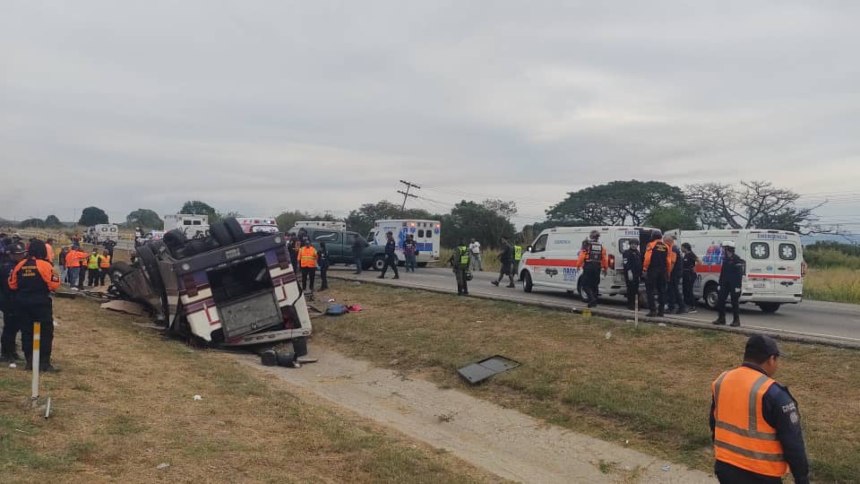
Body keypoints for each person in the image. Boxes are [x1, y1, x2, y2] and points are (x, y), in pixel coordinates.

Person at [710, 334, 809, 484]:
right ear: (771, 359)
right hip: (761, 474)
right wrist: (801, 478)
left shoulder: (721, 380)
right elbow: (792, 442)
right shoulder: (773, 393)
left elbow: (714, 422)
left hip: (726, 468)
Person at [9, 239, 61, 371]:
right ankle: (44, 362)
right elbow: (54, 285)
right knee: (45, 332)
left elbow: (12, 284)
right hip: (40, 303)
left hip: (22, 303)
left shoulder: (20, 265)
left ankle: (30, 361)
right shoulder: (46, 265)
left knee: (26, 332)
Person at [0, 241, 26, 362]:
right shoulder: (8, 267)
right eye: (18, 254)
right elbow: (9, 287)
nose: (21, 256)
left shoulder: (18, 265)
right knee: (9, 328)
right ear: (11, 254)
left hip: (16, 301)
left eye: (22, 253)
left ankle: (12, 351)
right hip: (9, 301)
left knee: (15, 327)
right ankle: (6, 353)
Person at [713, 241, 745, 327]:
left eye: (724, 248)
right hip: (724, 283)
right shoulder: (725, 258)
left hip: (734, 284)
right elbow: (722, 272)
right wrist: (720, 284)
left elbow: (739, 274)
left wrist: (738, 286)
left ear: (728, 249)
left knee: (734, 302)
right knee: (720, 300)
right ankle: (721, 318)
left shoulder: (736, 259)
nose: (723, 250)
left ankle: (736, 320)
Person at [642, 230, 673, 317]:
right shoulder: (666, 246)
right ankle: (661, 311)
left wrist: (644, 268)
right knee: (662, 291)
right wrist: (668, 272)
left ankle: (653, 310)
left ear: (653, 236)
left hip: (653, 270)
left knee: (650, 290)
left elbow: (647, 258)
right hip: (663, 271)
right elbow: (668, 261)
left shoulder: (651, 245)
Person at [577, 230, 608, 308]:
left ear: (591, 236)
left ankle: (592, 299)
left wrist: (578, 265)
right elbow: (604, 258)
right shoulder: (601, 246)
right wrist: (605, 268)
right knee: (595, 284)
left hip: (589, 266)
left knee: (585, 284)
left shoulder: (587, 245)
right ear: (598, 237)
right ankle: (594, 301)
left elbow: (582, 256)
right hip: (597, 267)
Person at [664, 235, 686, 314]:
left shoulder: (673, 249)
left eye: (665, 241)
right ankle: (673, 306)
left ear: (669, 241)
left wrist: (668, 273)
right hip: (677, 272)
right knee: (672, 290)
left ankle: (679, 307)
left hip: (674, 273)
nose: (664, 243)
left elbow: (672, 262)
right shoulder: (676, 248)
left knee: (673, 290)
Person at [622, 239, 642, 310]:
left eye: (635, 244)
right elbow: (625, 263)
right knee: (630, 289)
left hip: (637, 274)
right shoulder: (627, 252)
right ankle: (630, 304)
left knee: (636, 290)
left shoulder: (638, 253)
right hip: (630, 273)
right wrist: (629, 271)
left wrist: (640, 274)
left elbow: (640, 264)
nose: (634, 245)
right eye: (632, 244)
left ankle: (636, 304)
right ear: (630, 245)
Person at [681, 242, 699, 312]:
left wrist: (694, 268)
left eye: (682, 247)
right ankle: (687, 305)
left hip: (690, 275)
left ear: (685, 247)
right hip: (685, 274)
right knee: (685, 290)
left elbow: (699, 261)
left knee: (689, 290)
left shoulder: (691, 254)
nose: (681, 248)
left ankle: (693, 306)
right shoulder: (685, 255)